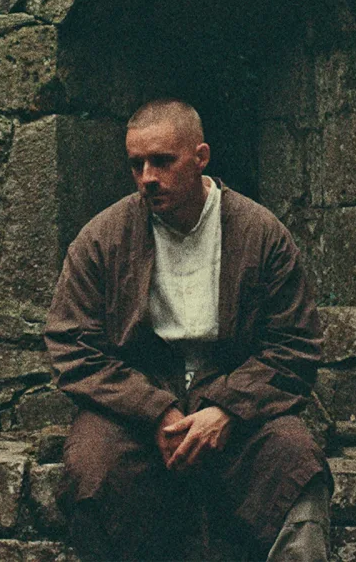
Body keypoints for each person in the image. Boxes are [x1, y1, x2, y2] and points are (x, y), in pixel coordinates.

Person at [44, 99, 331, 561]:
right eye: (136, 164)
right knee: (93, 467)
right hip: (135, 401)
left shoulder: (260, 233)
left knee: (295, 459)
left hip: (236, 389)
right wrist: (155, 410)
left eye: (162, 161)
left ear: (201, 157)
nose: (147, 178)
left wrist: (227, 409)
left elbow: (295, 343)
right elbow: (72, 345)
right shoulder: (102, 238)